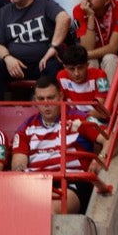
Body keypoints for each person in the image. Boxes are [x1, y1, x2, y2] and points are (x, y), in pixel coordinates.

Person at [12, 77, 103, 214]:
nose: (46, 103)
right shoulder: (25, 127)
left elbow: (111, 139)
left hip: (72, 181)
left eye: (51, 97)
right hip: (37, 183)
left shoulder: (79, 118)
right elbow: (18, 162)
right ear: (35, 100)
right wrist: (20, 172)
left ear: (61, 96)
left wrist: (100, 158)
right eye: (41, 99)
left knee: (48, 210)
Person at [0, 0, 70, 98]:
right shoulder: (3, 13)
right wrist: (7, 58)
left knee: (54, 66)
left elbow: (64, 18)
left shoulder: (45, 4)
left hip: (42, 63)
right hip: (15, 66)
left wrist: (53, 47)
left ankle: (52, 108)